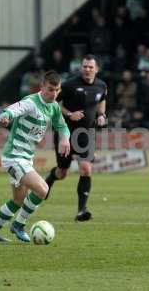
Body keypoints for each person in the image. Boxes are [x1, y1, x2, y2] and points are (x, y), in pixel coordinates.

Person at [0, 70, 70, 242]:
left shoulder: (53, 107)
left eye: (57, 90)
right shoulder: (30, 102)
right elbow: (12, 110)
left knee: (18, 200)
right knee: (43, 189)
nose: (54, 94)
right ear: (42, 86)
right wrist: (4, 117)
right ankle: (19, 224)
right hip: (14, 157)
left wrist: (65, 140)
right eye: (51, 89)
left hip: (26, 158)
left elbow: (62, 126)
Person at [45, 54, 108, 222]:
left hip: (86, 134)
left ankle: (81, 210)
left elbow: (102, 100)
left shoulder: (102, 85)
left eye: (90, 67)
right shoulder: (69, 85)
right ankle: (50, 180)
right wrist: (70, 114)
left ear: (97, 69)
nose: (87, 69)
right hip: (65, 133)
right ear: (81, 68)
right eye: (85, 66)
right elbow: (53, 103)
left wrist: (102, 115)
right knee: (62, 172)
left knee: (86, 168)